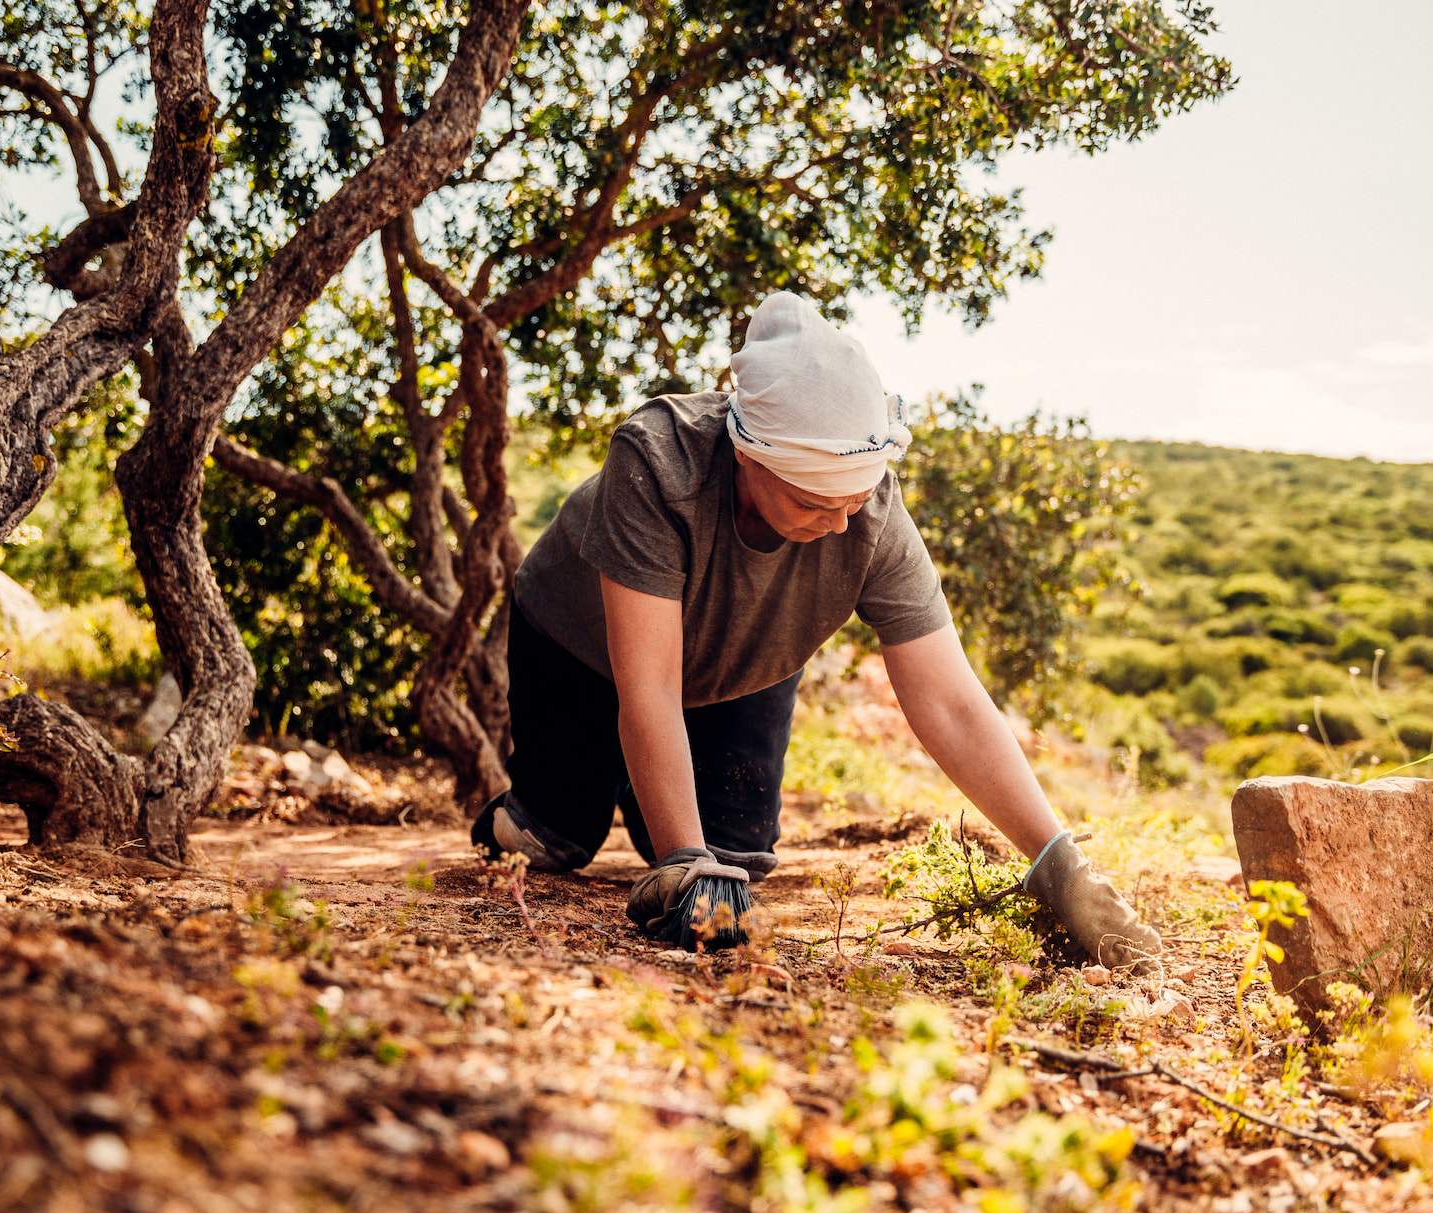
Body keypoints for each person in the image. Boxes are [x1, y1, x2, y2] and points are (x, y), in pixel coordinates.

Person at [473, 292, 1161, 970]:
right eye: (811, 502)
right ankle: (546, 805)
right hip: (584, 651)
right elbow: (648, 683)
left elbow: (951, 702)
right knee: (555, 844)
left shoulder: (871, 518)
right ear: (748, 456)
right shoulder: (657, 461)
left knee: (735, 864)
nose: (838, 524)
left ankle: (649, 797)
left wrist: (1056, 861)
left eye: (855, 500)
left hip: (738, 667)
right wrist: (685, 865)